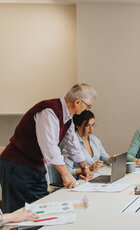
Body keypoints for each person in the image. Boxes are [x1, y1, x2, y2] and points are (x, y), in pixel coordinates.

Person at [0, 83, 96, 213]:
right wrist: (66, 174)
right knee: (20, 214)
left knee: (41, 209)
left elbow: (72, 143)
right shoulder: (49, 111)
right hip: (17, 165)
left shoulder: (67, 116)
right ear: (78, 102)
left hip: (36, 166)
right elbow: (49, 147)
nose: (87, 110)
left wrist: (84, 167)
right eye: (88, 106)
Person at [63, 110, 111, 178]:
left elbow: (105, 158)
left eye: (93, 125)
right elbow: (67, 171)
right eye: (87, 126)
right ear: (77, 126)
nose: (91, 128)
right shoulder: (71, 144)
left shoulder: (94, 140)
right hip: (81, 180)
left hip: (96, 176)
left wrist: (112, 159)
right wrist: (88, 168)